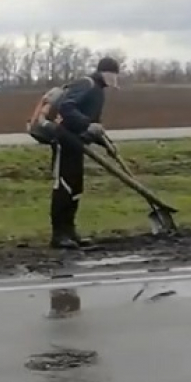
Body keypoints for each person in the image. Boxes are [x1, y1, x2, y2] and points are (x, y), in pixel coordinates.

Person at [47, 56, 121, 249]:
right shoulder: (86, 84)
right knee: (64, 187)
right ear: (106, 73)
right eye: (113, 75)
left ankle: (70, 232)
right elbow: (67, 108)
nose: (114, 80)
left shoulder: (98, 92)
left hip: (77, 144)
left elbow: (93, 125)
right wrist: (87, 124)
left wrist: (107, 144)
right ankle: (59, 235)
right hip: (64, 139)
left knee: (76, 188)